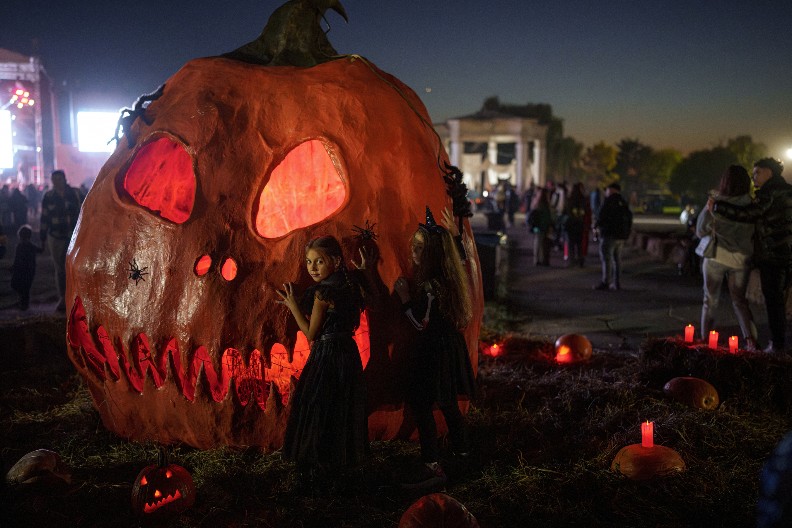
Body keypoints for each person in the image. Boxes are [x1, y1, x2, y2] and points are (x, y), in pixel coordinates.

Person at [276, 236, 370, 489]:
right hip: (348, 353)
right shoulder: (352, 283)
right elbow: (359, 280)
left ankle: (316, 466)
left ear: (335, 261)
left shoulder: (322, 293)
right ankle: (339, 464)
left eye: (319, 261)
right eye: (309, 262)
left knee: (317, 405)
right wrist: (363, 269)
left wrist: (292, 305)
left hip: (327, 352)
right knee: (341, 405)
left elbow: (311, 333)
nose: (313, 267)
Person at [393, 207, 475, 489]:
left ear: (433, 254)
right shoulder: (451, 278)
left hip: (433, 352)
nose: (413, 250)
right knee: (449, 403)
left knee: (422, 405)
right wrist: (456, 238)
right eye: (414, 245)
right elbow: (462, 263)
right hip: (450, 348)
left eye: (420, 247)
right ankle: (463, 453)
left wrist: (404, 298)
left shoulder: (429, 286)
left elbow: (420, 324)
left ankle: (431, 463)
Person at [712, 157, 792, 354]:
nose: (753, 176)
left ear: (769, 173)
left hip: (774, 256)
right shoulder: (787, 190)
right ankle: (779, 343)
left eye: (757, 172)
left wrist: (718, 206)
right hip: (786, 254)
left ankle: (778, 345)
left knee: (774, 302)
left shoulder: (770, 193)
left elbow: (749, 214)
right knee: (780, 301)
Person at [696, 166, 757, 350]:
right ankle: (751, 342)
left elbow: (700, 230)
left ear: (725, 182)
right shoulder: (752, 206)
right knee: (739, 301)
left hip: (716, 256)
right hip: (741, 259)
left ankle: (706, 341)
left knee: (710, 300)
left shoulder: (716, 203)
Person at [40, 170, 83, 312]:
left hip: (74, 237)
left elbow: (85, 212)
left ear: (64, 179)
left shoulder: (75, 194)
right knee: (60, 269)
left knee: (75, 267)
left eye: (59, 179)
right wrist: (42, 237)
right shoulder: (49, 196)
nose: (57, 182)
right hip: (56, 237)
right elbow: (44, 218)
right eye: (55, 179)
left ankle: (76, 297)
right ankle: (63, 298)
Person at [593, 182, 632, 290]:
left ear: (611, 190)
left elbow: (601, 216)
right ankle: (617, 282)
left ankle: (606, 281)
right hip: (621, 236)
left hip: (609, 234)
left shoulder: (609, 201)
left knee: (607, 259)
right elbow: (629, 218)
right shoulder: (623, 202)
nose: (605, 192)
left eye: (607, 190)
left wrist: (596, 226)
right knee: (617, 260)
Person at [10, 225, 43, 310]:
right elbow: (41, 250)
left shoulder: (19, 246)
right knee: (26, 288)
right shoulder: (31, 246)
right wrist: (43, 240)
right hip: (30, 270)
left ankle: (23, 303)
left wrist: (13, 267)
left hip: (21, 270)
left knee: (16, 285)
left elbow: (17, 259)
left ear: (20, 236)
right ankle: (24, 303)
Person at [564, 182, 591, 267]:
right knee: (579, 244)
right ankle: (580, 260)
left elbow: (566, 211)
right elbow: (586, 211)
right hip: (580, 223)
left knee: (571, 244)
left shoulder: (569, 199)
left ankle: (572, 261)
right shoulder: (584, 199)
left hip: (571, 224)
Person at [527, 188, 552, 266]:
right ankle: (539, 259)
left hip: (537, 226)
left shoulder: (537, 203)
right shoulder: (544, 205)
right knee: (540, 243)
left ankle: (537, 259)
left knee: (537, 242)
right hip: (542, 226)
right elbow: (546, 217)